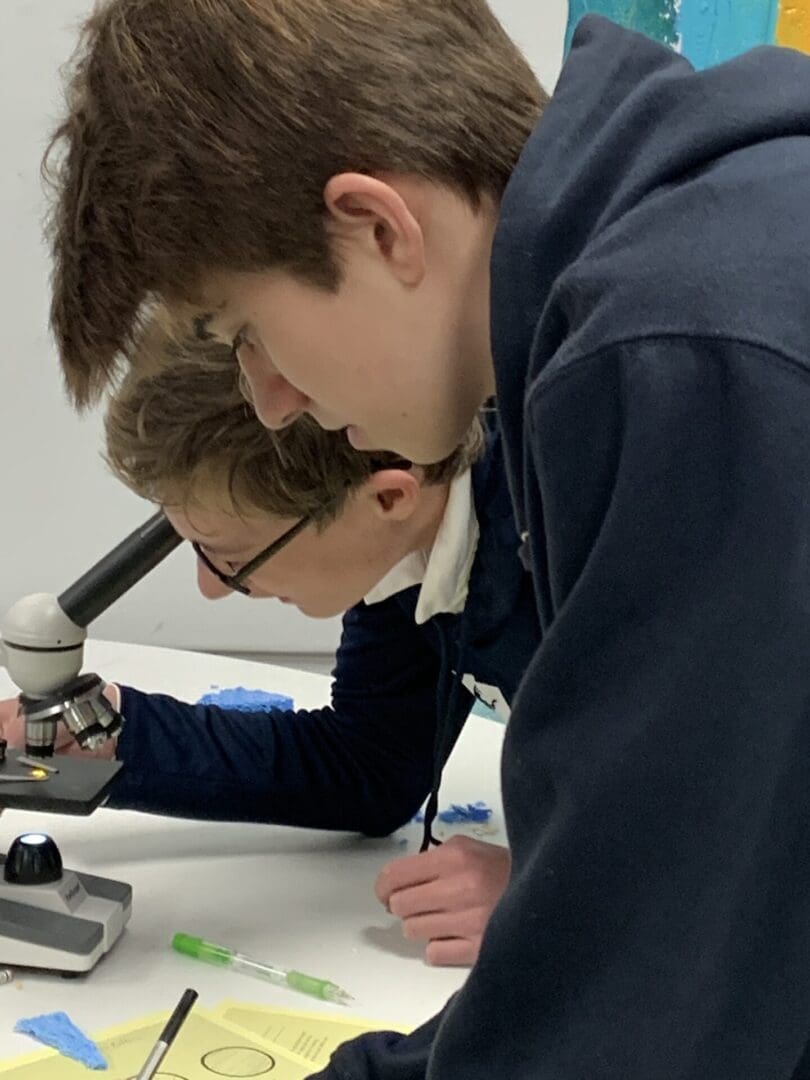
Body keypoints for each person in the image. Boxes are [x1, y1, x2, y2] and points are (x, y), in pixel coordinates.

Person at [42, 1, 810, 1076]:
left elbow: (631, 1019)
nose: (269, 404)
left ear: (378, 229)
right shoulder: (635, 297)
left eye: (247, 334)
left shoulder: (677, 355)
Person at [1, 334, 539, 968]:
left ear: (388, 499)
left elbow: (687, 789)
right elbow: (373, 767)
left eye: (231, 558)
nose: (211, 589)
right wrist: (121, 733)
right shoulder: (400, 551)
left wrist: (551, 889)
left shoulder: (577, 545)